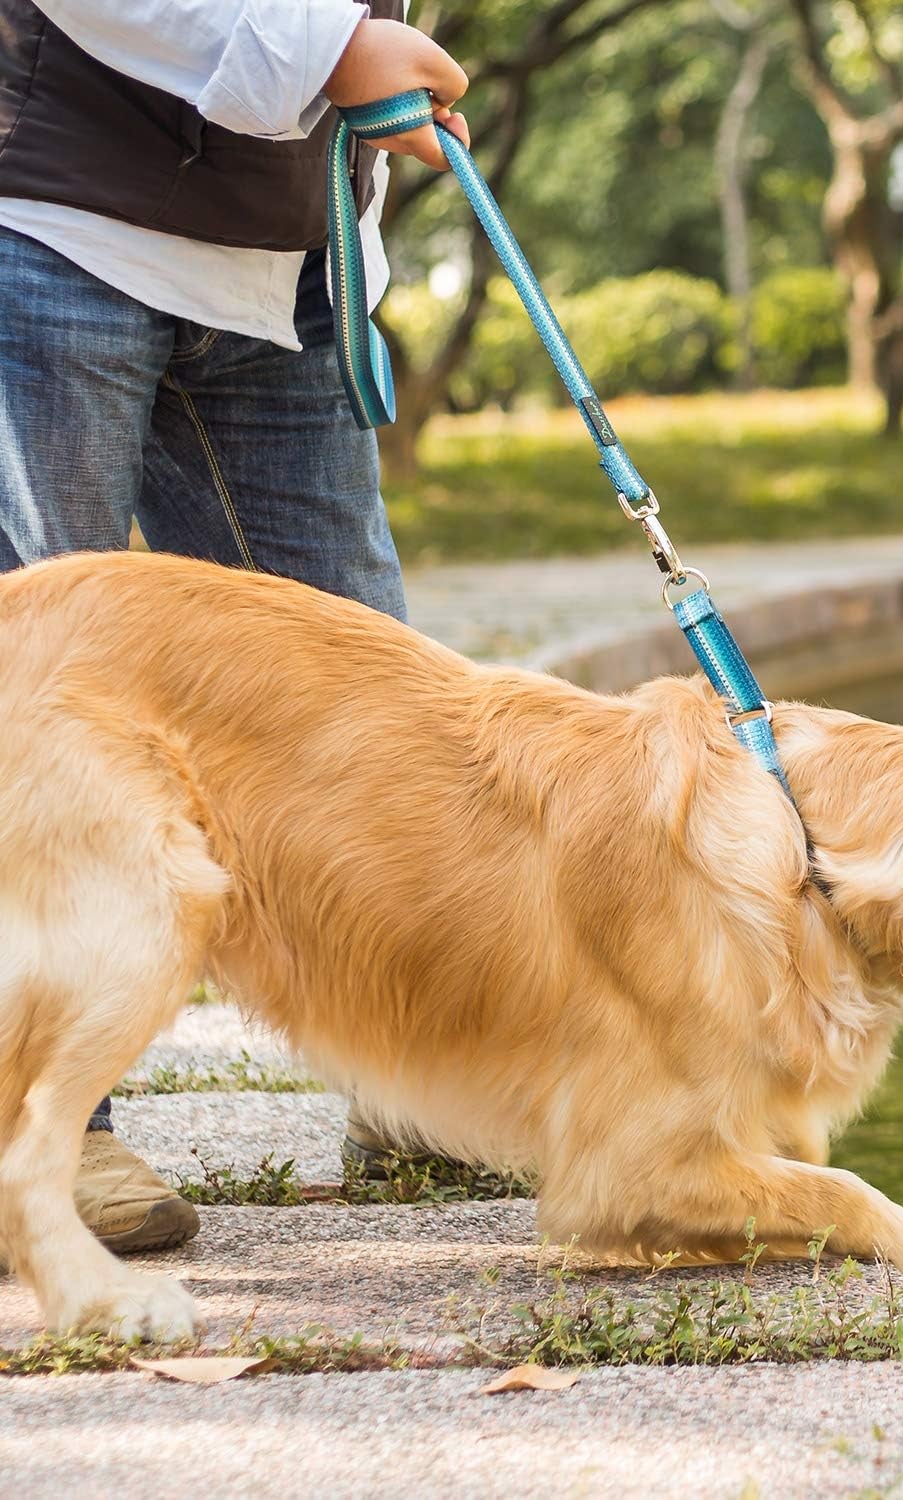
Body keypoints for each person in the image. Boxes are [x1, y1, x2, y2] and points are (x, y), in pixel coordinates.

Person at [0, 0, 469, 1256]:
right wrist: (330, 50)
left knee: (377, 707)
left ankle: (414, 1068)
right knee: (42, 712)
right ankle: (42, 1130)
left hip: (291, 258)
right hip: (51, 217)